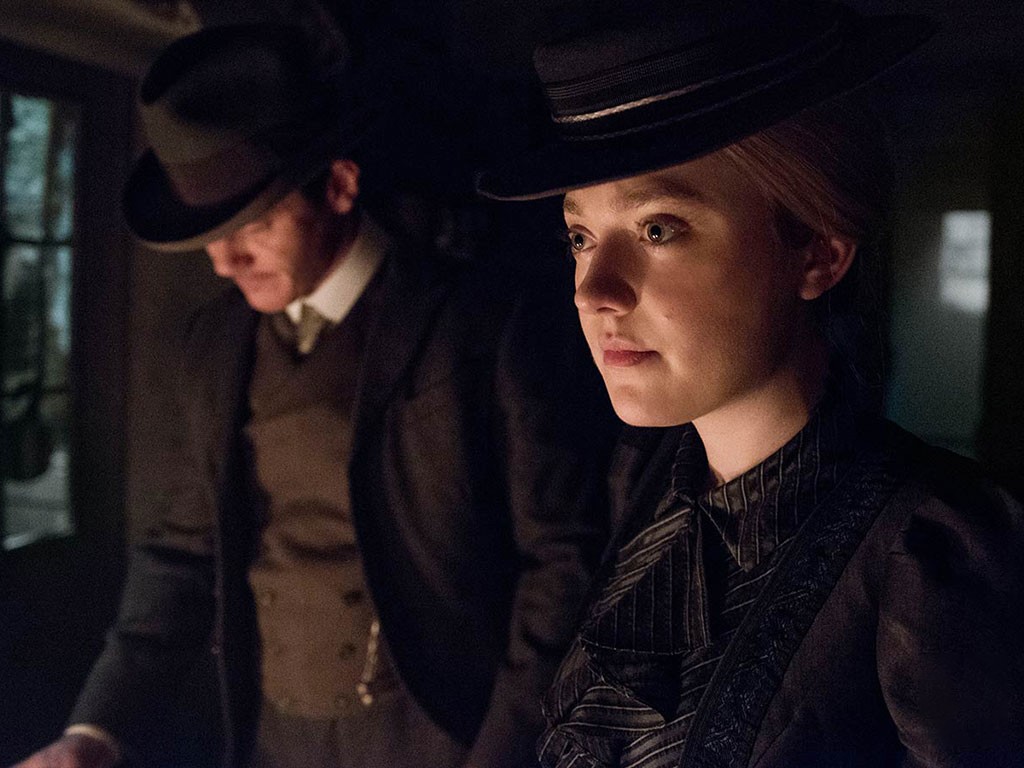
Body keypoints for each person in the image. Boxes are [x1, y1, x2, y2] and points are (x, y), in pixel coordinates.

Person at [14, 22, 615, 768]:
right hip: (270, 737)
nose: (226, 262)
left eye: (255, 225)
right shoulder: (212, 344)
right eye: (210, 235)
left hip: (442, 736)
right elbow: (180, 553)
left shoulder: (482, 322)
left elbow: (561, 560)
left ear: (338, 185)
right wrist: (93, 732)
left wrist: (502, 751)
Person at [477, 1, 1024, 766]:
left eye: (658, 228)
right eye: (580, 235)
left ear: (818, 252)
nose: (595, 290)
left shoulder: (930, 555)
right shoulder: (644, 485)